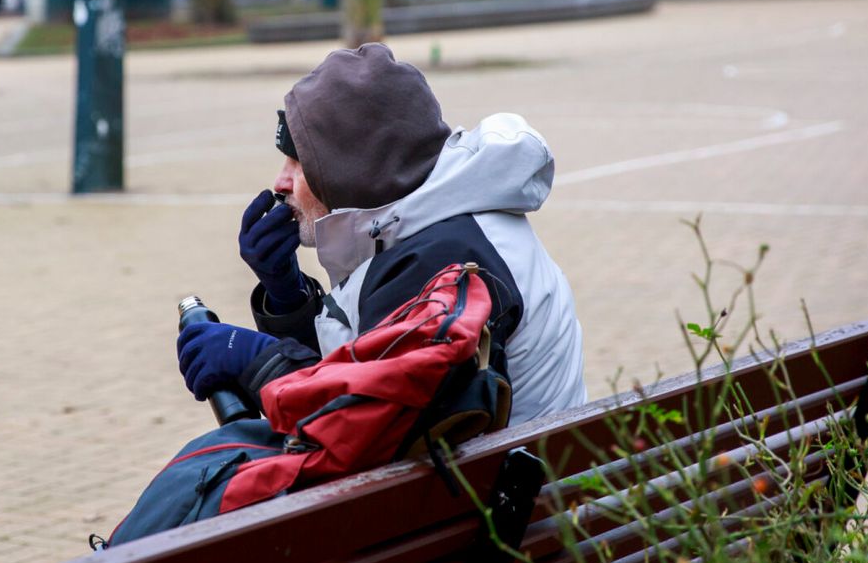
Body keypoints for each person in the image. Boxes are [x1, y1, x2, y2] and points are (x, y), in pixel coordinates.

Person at [178, 43, 586, 427]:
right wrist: (289, 300)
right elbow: (371, 364)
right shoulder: (431, 224)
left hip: (486, 496)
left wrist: (259, 361)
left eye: (299, 164)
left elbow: (370, 425)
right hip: (515, 477)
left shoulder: (439, 259)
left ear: (351, 169)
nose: (280, 182)